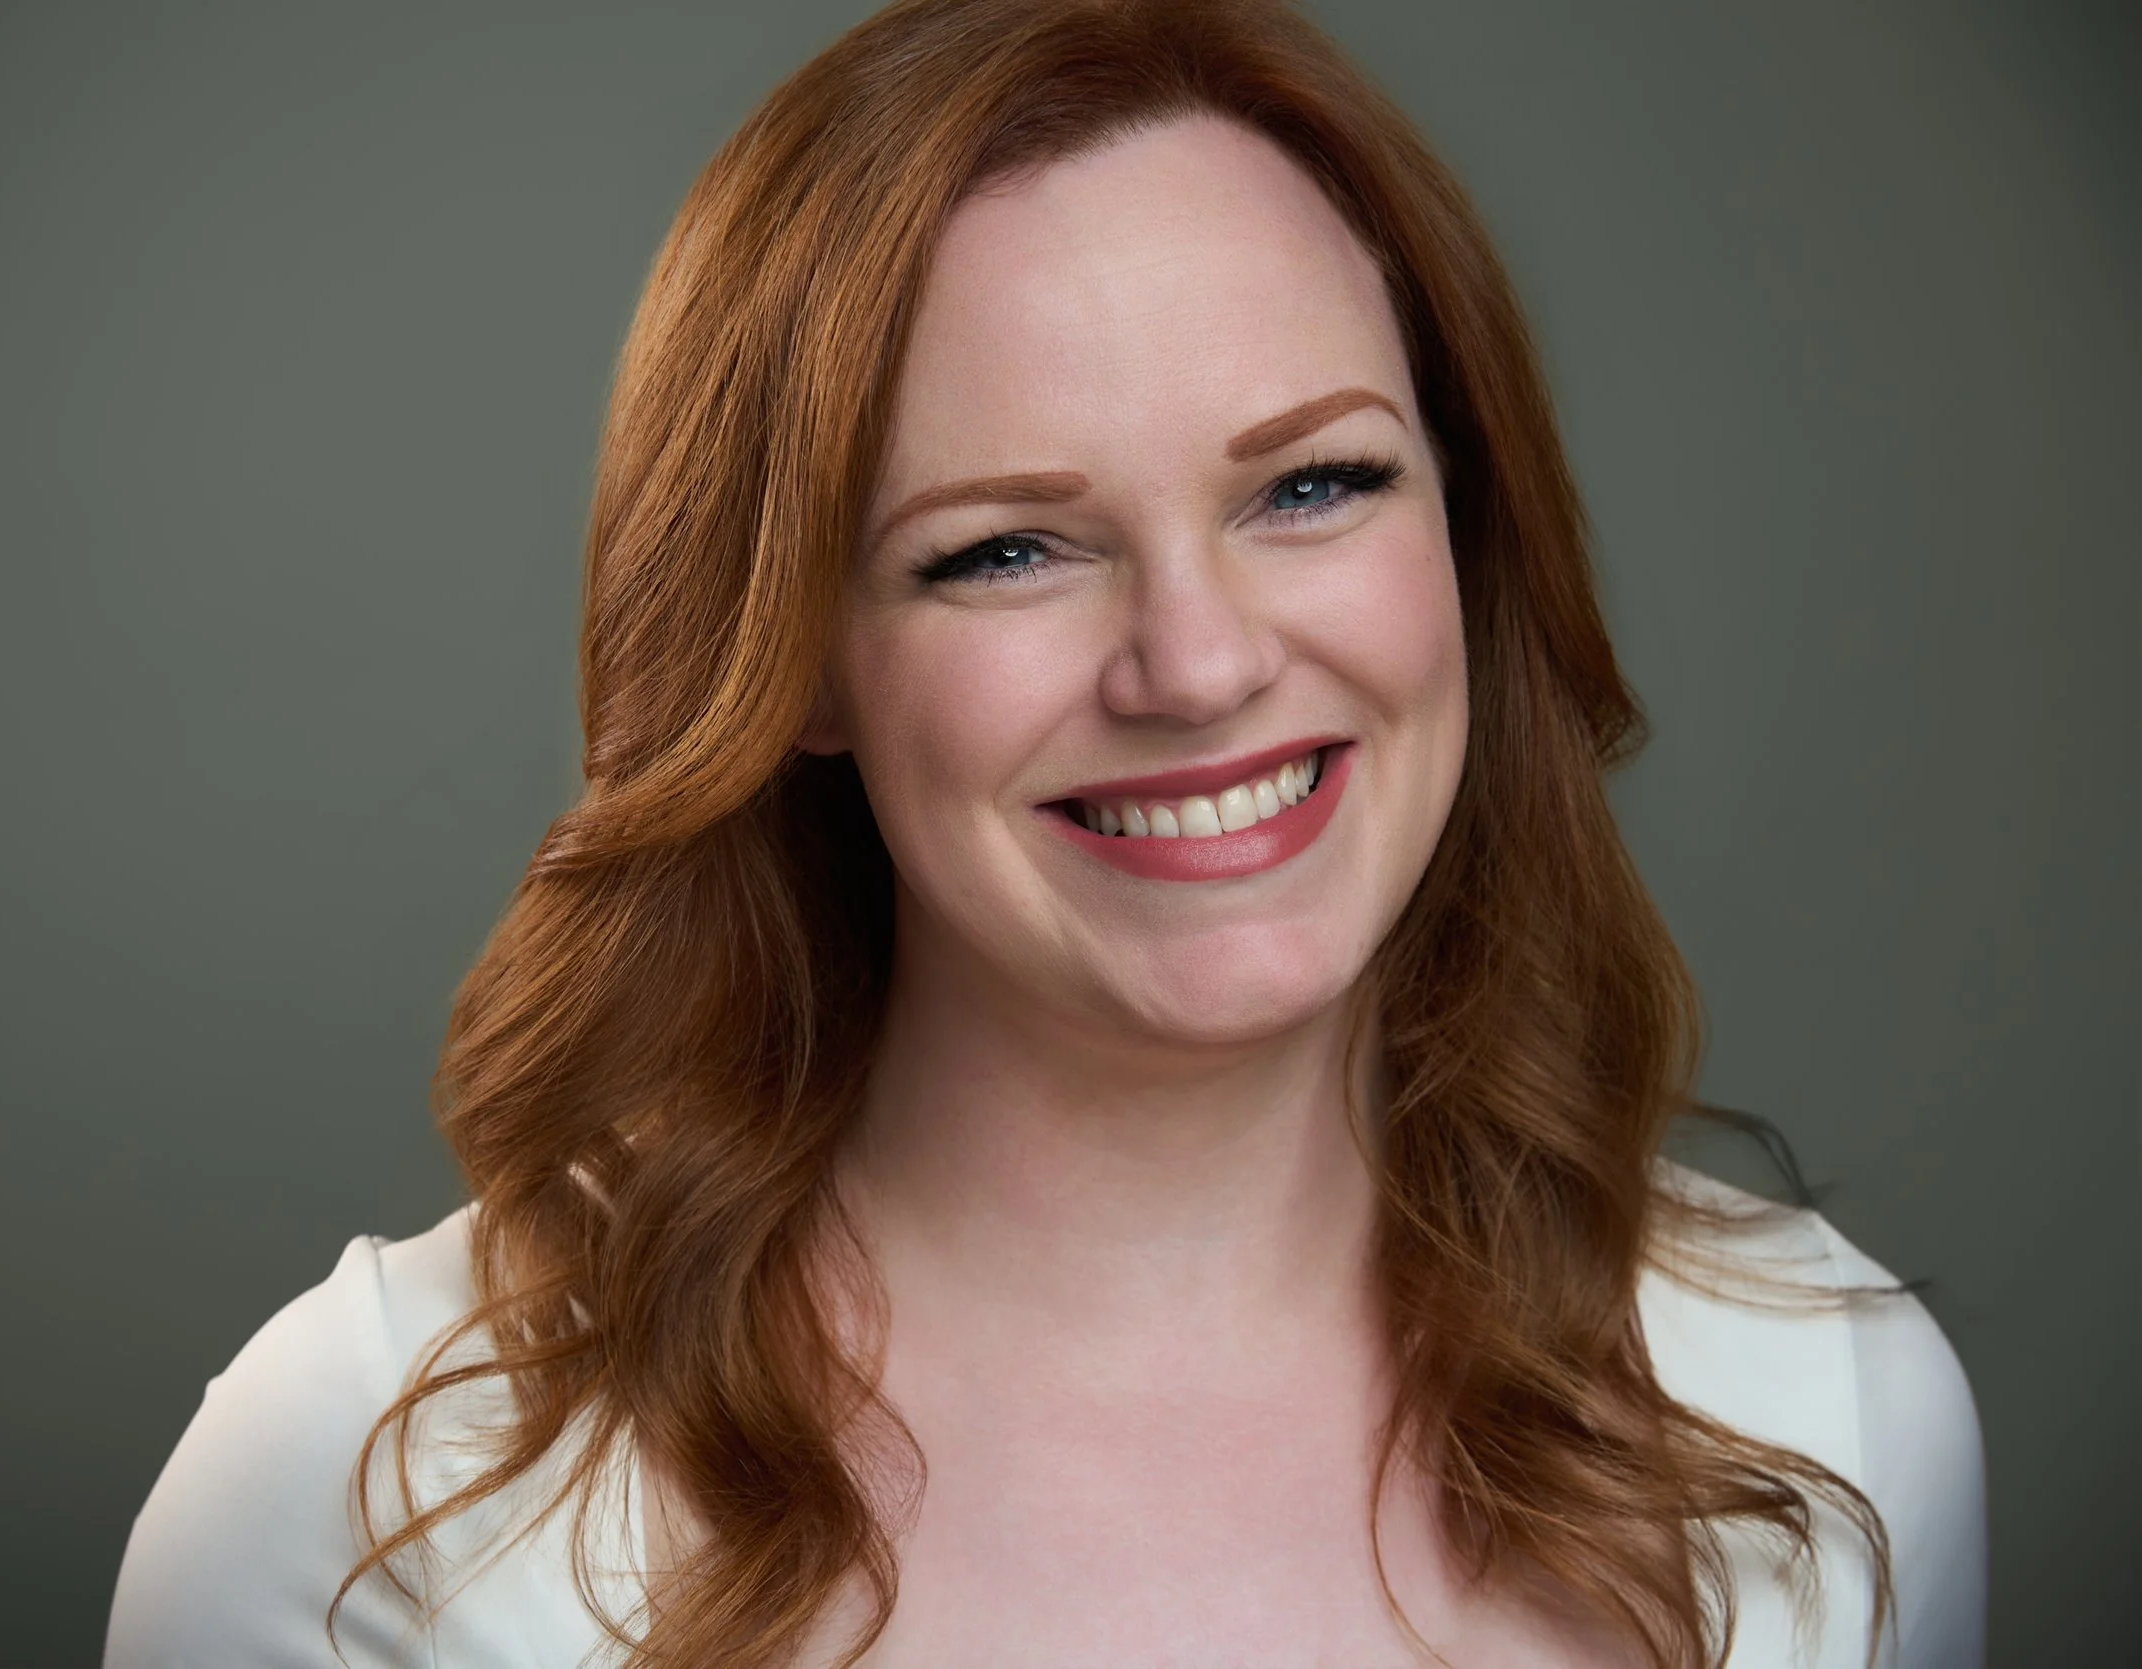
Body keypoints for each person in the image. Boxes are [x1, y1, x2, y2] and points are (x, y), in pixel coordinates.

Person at [102, 2, 1984, 1665]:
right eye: (1004, 548)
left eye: (1315, 484)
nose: (1200, 659)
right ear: (798, 662)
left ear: (1466, 540)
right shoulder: (373, 1513)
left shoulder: (1830, 1411)